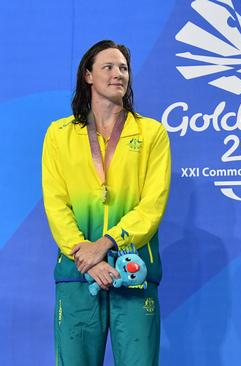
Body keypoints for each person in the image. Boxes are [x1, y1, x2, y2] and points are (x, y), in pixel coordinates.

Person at [42, 40, 171, 366]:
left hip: (133, 273)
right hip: (78, 274)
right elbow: (57, 205)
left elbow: (152, 205)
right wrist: (87, 255)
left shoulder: (152, 132)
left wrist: (106, 243)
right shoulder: (59, 135)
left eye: (124, 68)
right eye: (108, 67)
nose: (119, 74)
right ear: (88, 75)